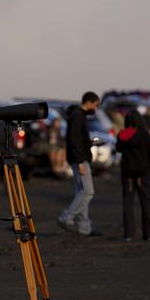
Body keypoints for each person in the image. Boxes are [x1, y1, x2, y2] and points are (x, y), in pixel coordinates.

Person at [58, 91, 100, 236]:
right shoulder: (78, 116)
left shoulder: (78, 115)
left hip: (78, 158)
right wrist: (80, 161)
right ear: (89, 102)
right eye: (96, 104)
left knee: (81, 192)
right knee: (88, 192)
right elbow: (74, 141)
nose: (96, 107)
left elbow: (77, 139)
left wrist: (90, 142)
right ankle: (66, 217)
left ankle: (84, 228)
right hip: (79, 159)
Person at [115, 112, 150, 242]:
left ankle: (128, 234)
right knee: (145, 203)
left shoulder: (122, 134)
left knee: (128, 204)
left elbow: (118, 148)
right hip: (142, 174)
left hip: (127, 174)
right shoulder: (145, 135)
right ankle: (148, 234)